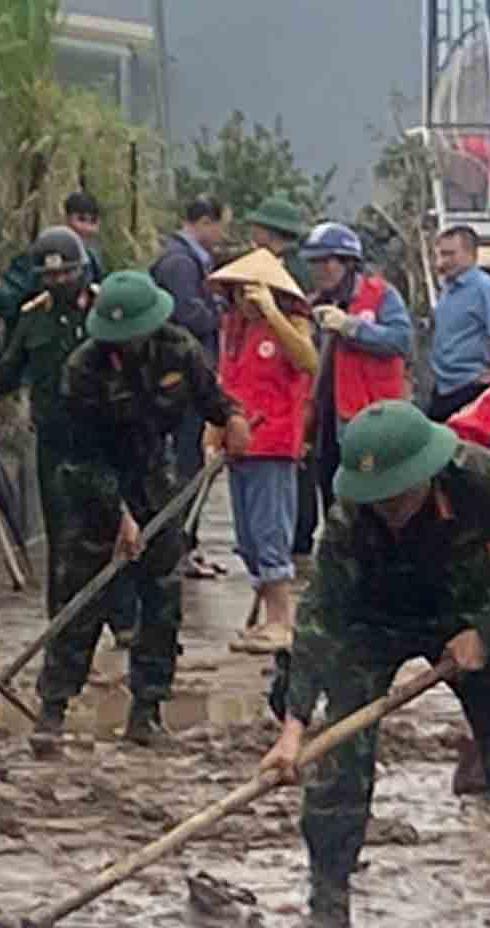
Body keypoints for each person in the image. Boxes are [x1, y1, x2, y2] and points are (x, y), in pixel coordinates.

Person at [261, 400, 490, 928]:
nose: (390, 509)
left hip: (467, 606)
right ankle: (328, 902)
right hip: (372, 619)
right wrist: (292, 730)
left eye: (400, 496)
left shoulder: (476, 474)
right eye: (378, 501)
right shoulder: (350, 515)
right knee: (340, 748)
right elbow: (319, 618)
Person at [41, 271, 248, 744]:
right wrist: (117, 516)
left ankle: (147, 710)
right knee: (82, 593)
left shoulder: (178, 349)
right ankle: (52, 707)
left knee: (160, 596)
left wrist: (232, 418)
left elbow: (211, 398)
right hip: (91, 482)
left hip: (154, 479)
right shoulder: (82, 369)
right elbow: (81, 454)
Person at [0, 226, 126, 628]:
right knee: (63, 534)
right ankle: (64, 621)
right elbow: (10, 369)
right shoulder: (33, 319)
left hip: (107, 442)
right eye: (50, 277)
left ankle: (124, 620)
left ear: (82, 271)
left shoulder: (108, 313)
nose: (58, 283)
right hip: (55, 445)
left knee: (115, 528)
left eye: (66, 274)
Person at [209, 246, 319, 654]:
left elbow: (309, 362)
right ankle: (268, 618)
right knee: (249, 538)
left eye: (251, 292)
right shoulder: (233, 329)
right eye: (239, 292)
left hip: (272, 442)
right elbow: (224, 386)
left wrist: (272, 312)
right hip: (238, 443)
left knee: (271, 531)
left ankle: (281, 620)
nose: (244, 301)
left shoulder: (292, 323)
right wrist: (213, 434)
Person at [295, 221, 413, 556]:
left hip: (370, 418)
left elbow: (401, 340)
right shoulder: (313, 303)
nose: (319, 270)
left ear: (348, 262)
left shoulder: (381, 296)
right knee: (332, 497)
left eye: (326, 261)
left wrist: (352, 328)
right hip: (326, 420)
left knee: (372, 500)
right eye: (314, 263)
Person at [151, 195, 228, 576]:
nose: (221, 235)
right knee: (185, 464)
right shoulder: (181, 263)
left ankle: (185, 544)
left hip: (185, 377)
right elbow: (186, 315)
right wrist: (220, 311)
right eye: (219, 226)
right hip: (181, 380)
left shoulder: (186, 260)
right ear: (204, 222)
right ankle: (178, 545)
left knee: (190, 461)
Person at [0, 192, 106, 339]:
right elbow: (9, 300)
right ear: (67, 220)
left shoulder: (92, 262)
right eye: (81, 220)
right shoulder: (41, 254)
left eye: (92, 222)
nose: (86, 228)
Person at [425, 225, 490, 420]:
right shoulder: (447, 288)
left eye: (450, 254)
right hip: (442, 384)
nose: (443, 261)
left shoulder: (485, 287)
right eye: (441, 255)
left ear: (470, 254)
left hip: (469, 384)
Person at [244, 195, 315, 295]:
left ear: (271, 233)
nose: (252, 231)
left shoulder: (292, 271)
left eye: (258, 227)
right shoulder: (261, 259)